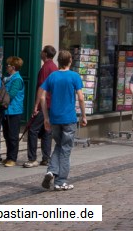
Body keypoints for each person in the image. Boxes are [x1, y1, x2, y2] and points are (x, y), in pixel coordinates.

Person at [40, 50, 86, 191]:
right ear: (70, 61)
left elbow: (42, 97)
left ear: (58, 61)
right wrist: (84, 115)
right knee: (66, 149)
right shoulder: (74, 76)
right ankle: (61, 181)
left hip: (55, 117)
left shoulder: (53, 76)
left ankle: (51, 171)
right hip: (69, 118)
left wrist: (46, 117)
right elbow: (81, 98)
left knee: (59, 145)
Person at [24, 45, 57, 168]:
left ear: (45, 54)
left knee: (33, 129)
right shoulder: (54, 67)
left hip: (44, 104)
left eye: (42, 51)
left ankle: (32, 158)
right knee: (46, 130)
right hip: (51, 104)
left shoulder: (46, 68)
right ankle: (46, 158)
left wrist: (36, 105)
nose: (40, 52)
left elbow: (41, 88)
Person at [1, 56, 25, 167]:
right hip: (7, 110)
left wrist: (1, 97)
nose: (7, 67)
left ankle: (12, 158)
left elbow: (11, 94)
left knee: (13, 135)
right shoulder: (8, 78)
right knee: (7, 134)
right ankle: (8, 156)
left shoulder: (17, 79)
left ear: (13, 67)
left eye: (8, 65)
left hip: (14, 111)